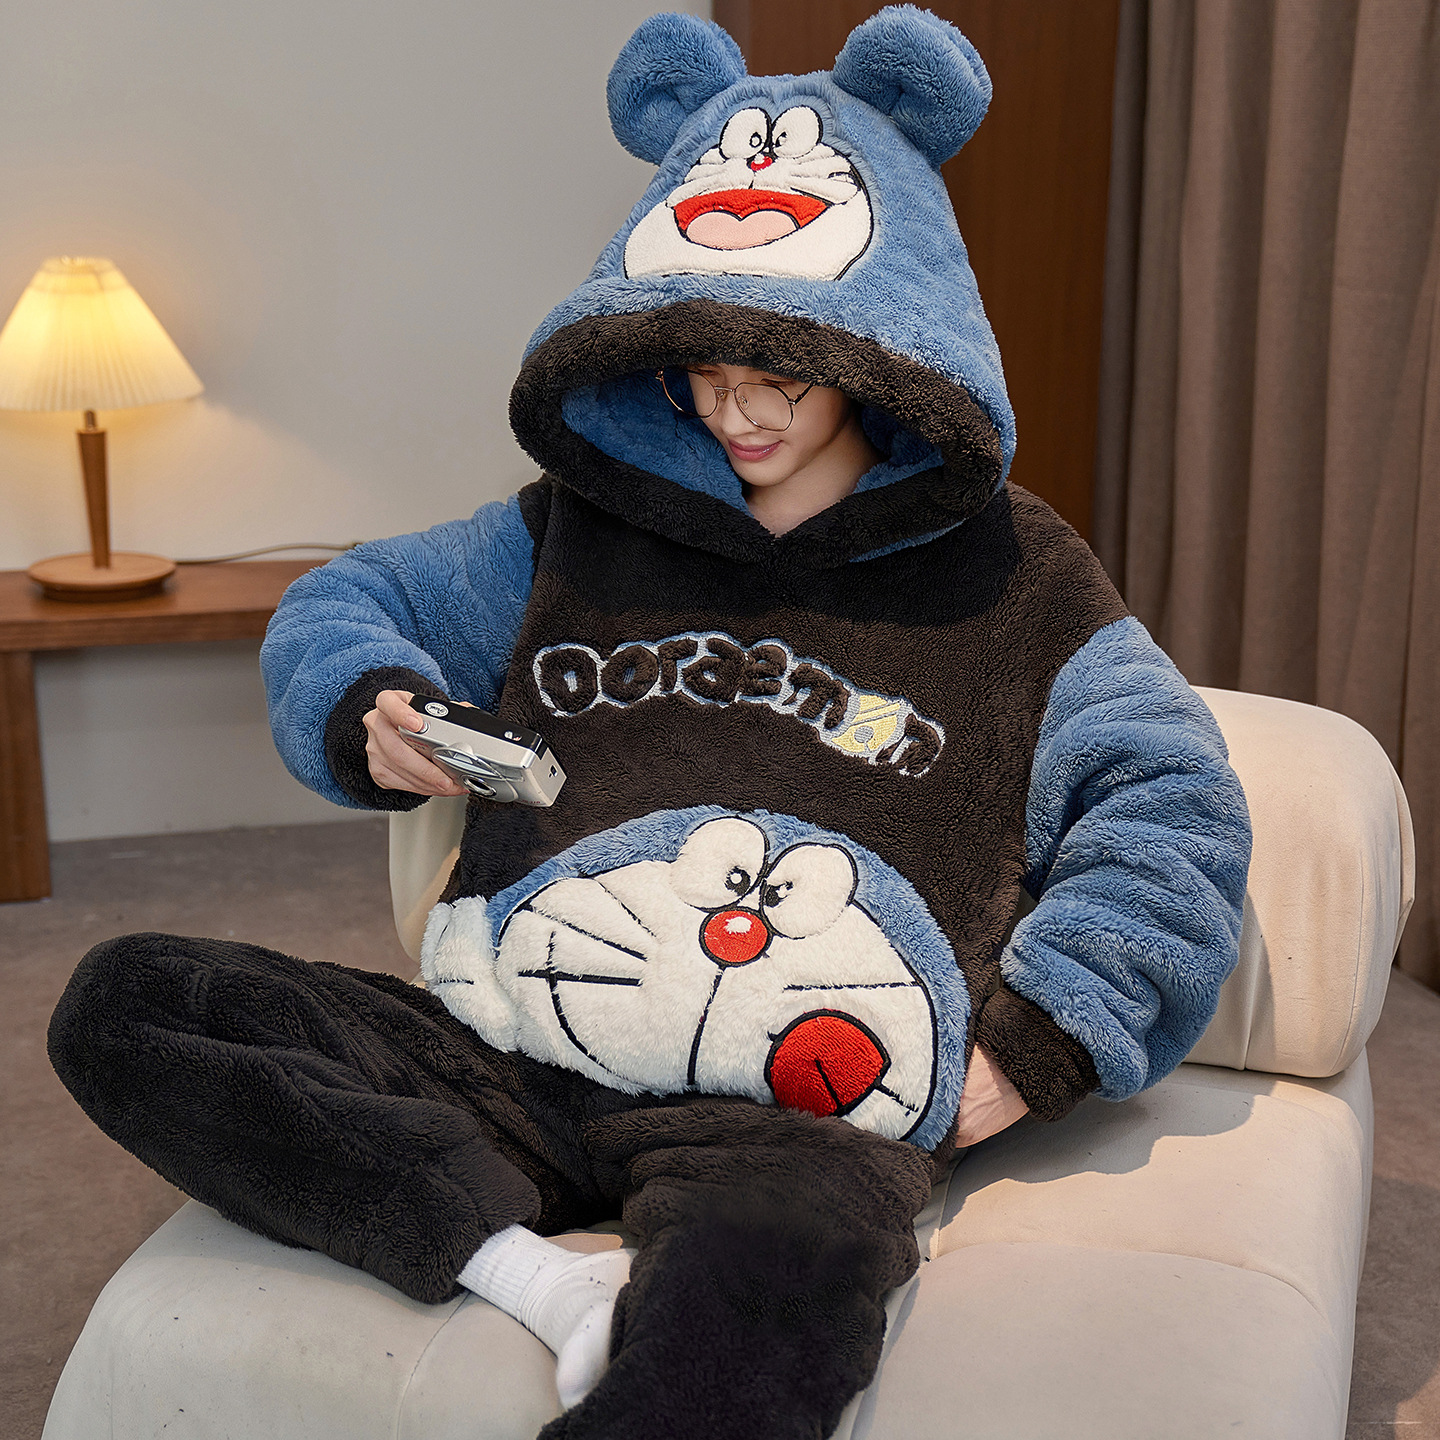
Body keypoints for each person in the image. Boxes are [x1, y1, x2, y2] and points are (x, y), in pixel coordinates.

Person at [47, 12, 1252, 1440]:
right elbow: (349, 598)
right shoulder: (568, 531)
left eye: (780, 373)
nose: (737, 411)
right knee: (129, 1003)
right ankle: (533, 1277)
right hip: (511, 1047)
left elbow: (1173, 800)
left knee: (773, 1301)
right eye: (699, 371)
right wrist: (370, 704)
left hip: (791, 1115)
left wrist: (1035, 1047)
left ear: (874, 353)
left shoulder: (1022, 578)